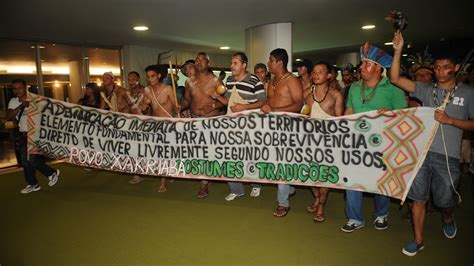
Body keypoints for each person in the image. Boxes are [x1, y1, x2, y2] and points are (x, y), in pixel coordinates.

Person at [390, 31, 474, 256]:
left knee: (444, 198)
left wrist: (451, 120)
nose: (439, 71)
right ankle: (418, 240)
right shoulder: (426, 89)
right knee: (418, 198)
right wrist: (397, 51)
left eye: (445, 67)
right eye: (436, 67)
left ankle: (447, 216)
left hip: (448, 157)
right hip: (421, 153)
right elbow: (395, 79)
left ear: (455, 68)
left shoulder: (468, 93)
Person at [341, 43, 407, 233]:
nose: (361, 67)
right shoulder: (353, 88)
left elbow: (405, 117)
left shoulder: (393, 89)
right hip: (356, 143)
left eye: (367, 64)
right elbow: (349, 111)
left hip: (383, 144)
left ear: (379, 68)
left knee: (381, 180)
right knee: (352, 180)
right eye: (362, 64)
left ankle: (381, 214)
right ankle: (354, 218)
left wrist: (392, 115)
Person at [212, 52, 267, 200]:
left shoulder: (254, 80)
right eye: (231, 63)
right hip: (231, 124)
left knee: (251, 156)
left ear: (244, 65)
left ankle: (256, 184)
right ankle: (236, 189)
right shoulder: (229, 80)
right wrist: (218, 97)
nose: (232, 66)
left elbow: (263, 102)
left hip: (250, 126)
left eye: (235, 63)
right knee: (229, 157)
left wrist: (244, 107)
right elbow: (229, 103)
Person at [261, 48, 303, 217]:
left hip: (287, 128)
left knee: (281, 164)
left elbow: (299, 105)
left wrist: (274, 110)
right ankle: (289, 187)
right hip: (271, 127)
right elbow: (268, 103)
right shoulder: (271, 81)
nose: (268, 63)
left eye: (270, 60)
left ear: (279, 62)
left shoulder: (291, 80)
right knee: (273, 162)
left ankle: (283, 203)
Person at [302, 61, 343, 222]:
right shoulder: (306, 94)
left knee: (324, 176)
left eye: (321, 72)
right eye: (314, 72)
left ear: (328, 76)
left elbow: (340, 122)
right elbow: (302, 117)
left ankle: (320, 206)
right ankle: (317, 196)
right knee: (307, 174)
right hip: (308, 141)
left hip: (328, 143)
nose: (316, 74)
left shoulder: (336, 95)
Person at [180, 52, 225, 198]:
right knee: (198, 151)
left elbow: (226, 101)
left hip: (211, 121)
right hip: (194, 119)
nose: (199, 62)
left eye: (202, 59)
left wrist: (213, 105)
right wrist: (179, 107)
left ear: (208, 63)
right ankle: (207, 177)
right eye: (196, 60)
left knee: (208, 152)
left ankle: (204, 183)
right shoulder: (189, 81)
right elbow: (187, 100)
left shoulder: (215, 80)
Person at [7, 79, 60, 194]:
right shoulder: (13, 101)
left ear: (25, 87)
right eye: (15, 89)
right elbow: (10, 116)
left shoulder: (35, 99)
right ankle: (34, 183)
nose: (17, 91)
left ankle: (50, 173)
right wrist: (21, 106)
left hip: (36, 134)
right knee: (25, 162)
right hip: (24, 135)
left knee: (31, 160)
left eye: (19, 88)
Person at [141, 64, 179, 192]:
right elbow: (145, 110)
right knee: (160, 153)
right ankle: (168, 174)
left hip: (169, 124)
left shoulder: (168, 89)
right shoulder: (147, 90)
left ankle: (163, 181)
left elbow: (175, 107)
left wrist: (177, 108)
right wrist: (144, 108)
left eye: (152, 76)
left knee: (166, 153)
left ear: (158, 76)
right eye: (148, 77)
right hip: (156, 126)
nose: (150, 79)